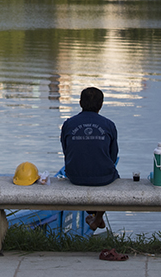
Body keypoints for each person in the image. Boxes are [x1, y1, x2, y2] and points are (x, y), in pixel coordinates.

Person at [61, 86, 118, 231]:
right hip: (103, 177)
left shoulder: (68, 124)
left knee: (90, 166)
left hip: (75, 176)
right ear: (101, 104)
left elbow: (67, 152)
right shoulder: (109, 125)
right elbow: (112, 156)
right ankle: (97, 217)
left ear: (80, 103)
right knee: (107, 172)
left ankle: (95, 217)